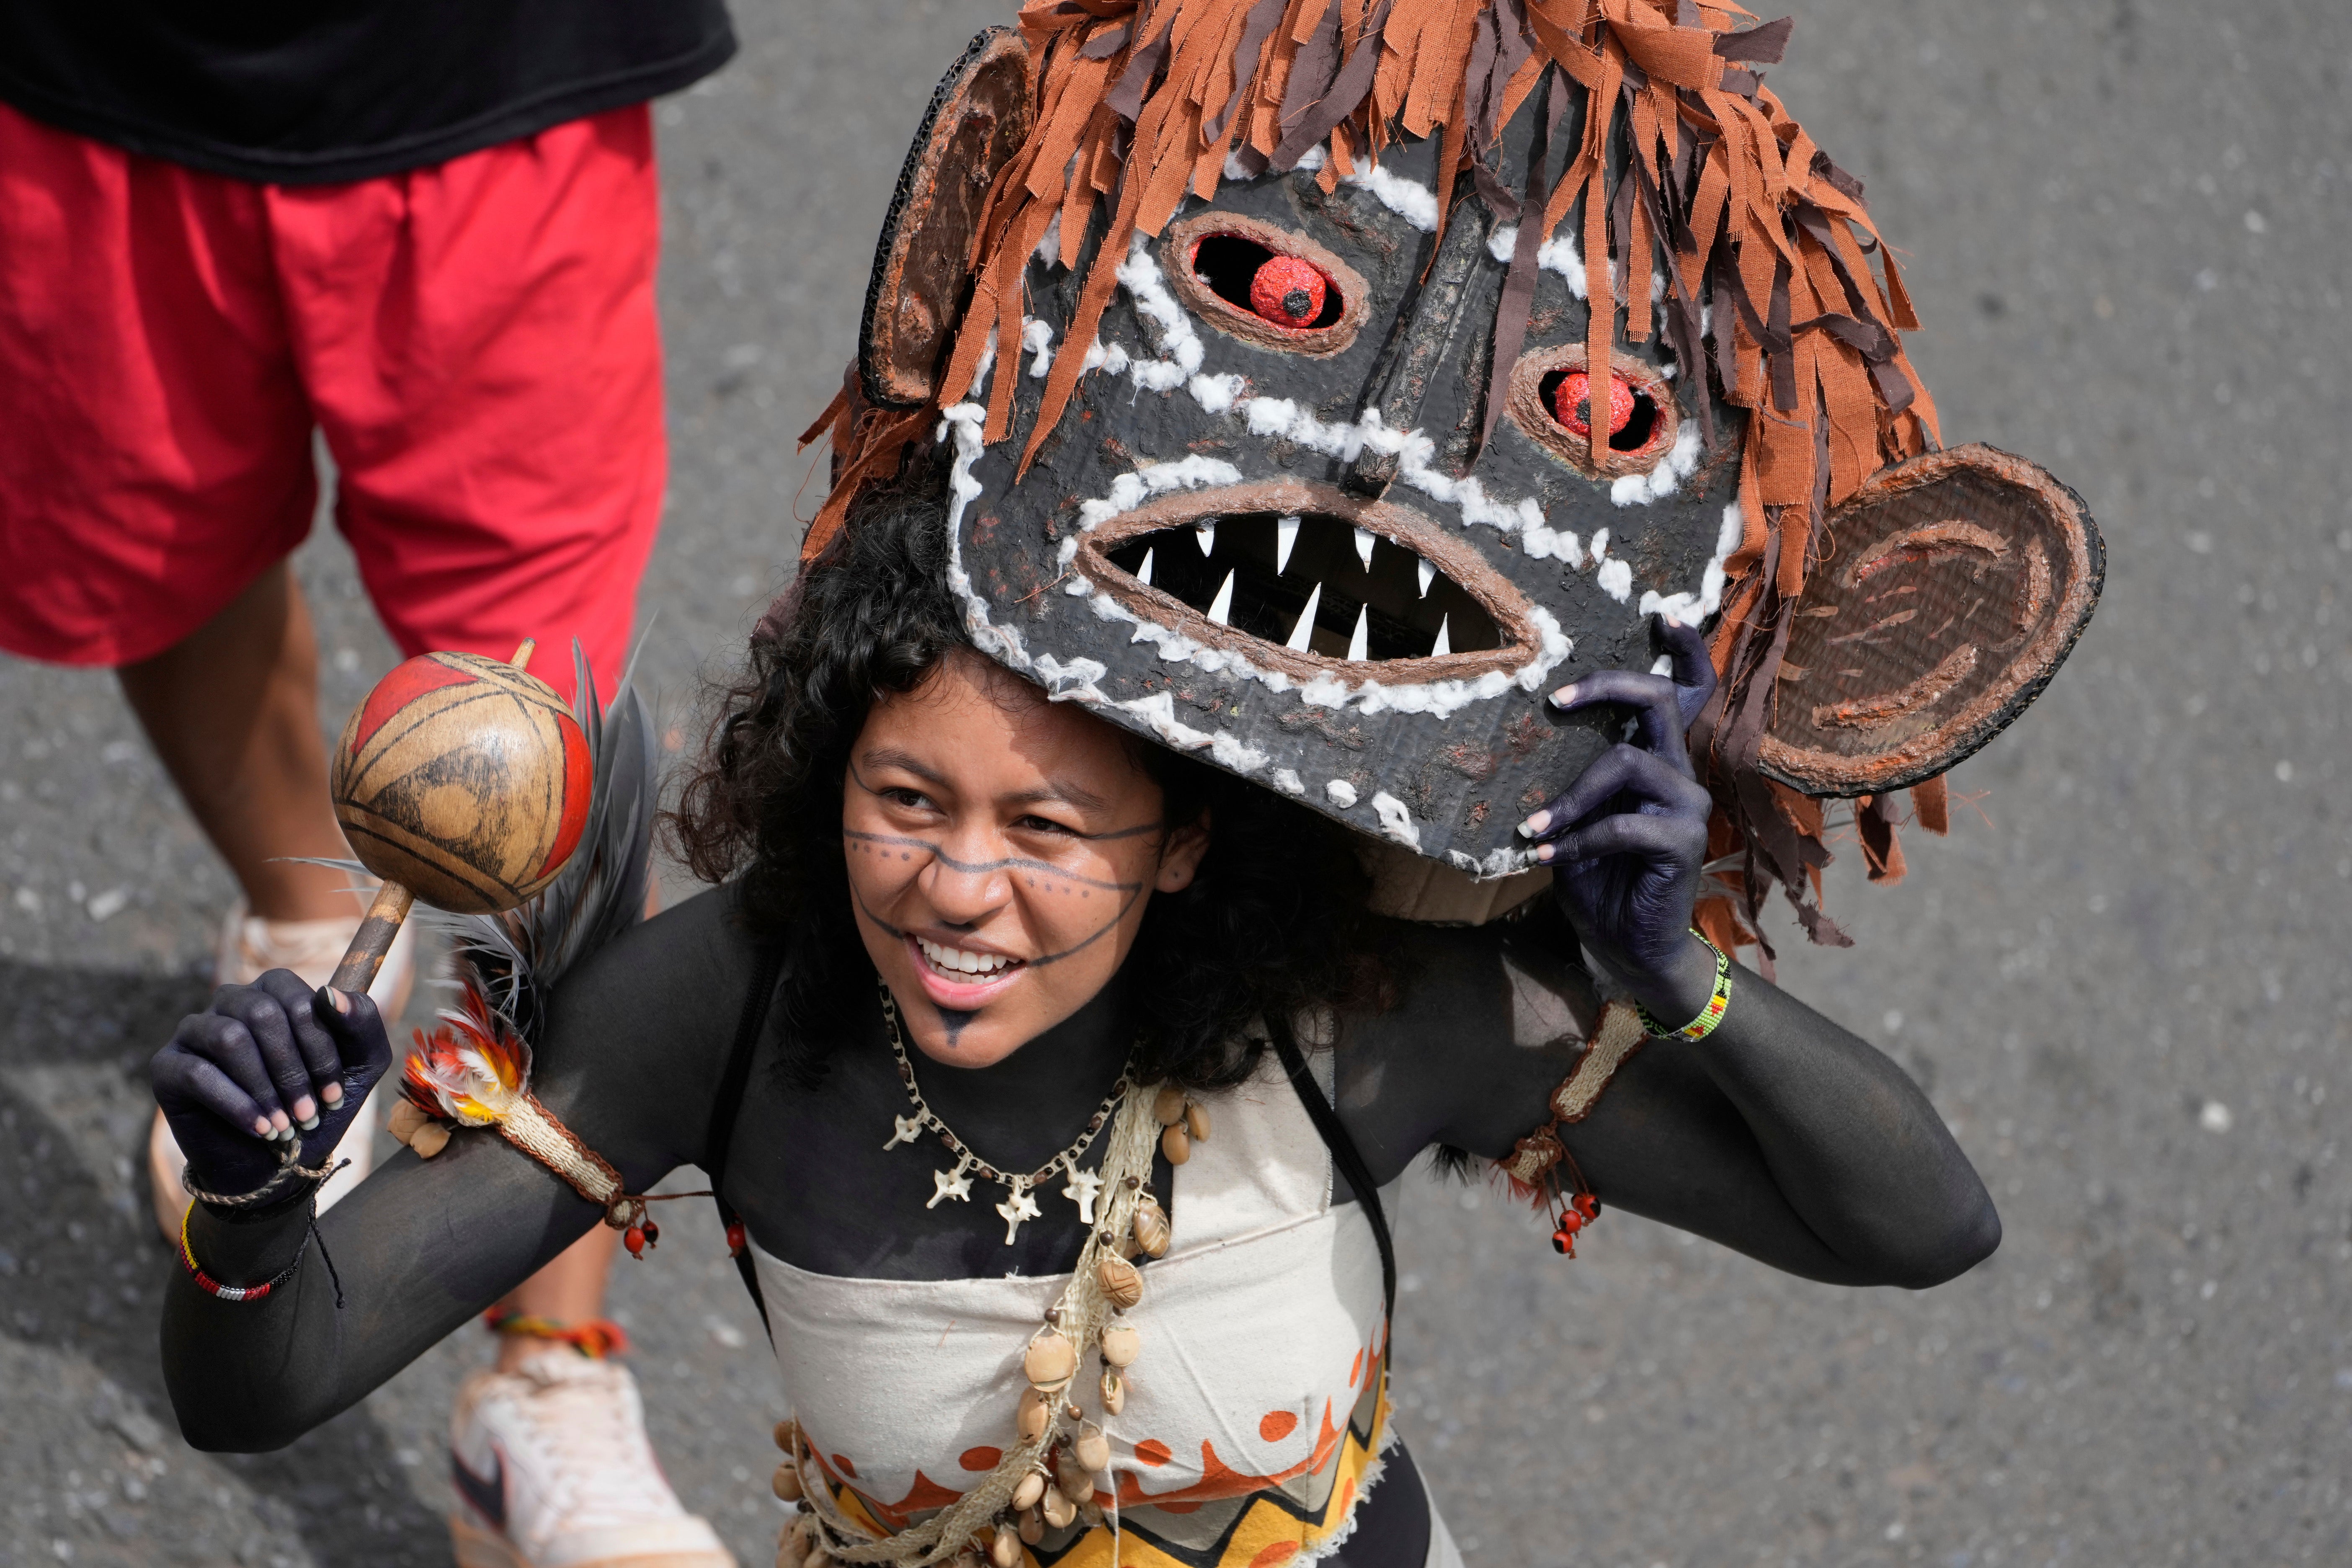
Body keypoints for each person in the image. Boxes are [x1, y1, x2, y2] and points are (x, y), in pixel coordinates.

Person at [145, 4, 2104, 1564]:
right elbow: (273, 1376)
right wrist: (247, 1209)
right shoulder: (726, 1007)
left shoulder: (1367, 1024)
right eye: (906, 802)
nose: (955, 887)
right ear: (828, 770)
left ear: (1182, 848)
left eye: (1048, 829)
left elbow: (1917, 1229)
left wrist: (1681, 980)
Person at [0, 1, 741, 1562]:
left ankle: (548, 1382)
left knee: (548, 743)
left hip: (495, 69)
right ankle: (303, 922)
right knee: (166, 560)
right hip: (91, 76)